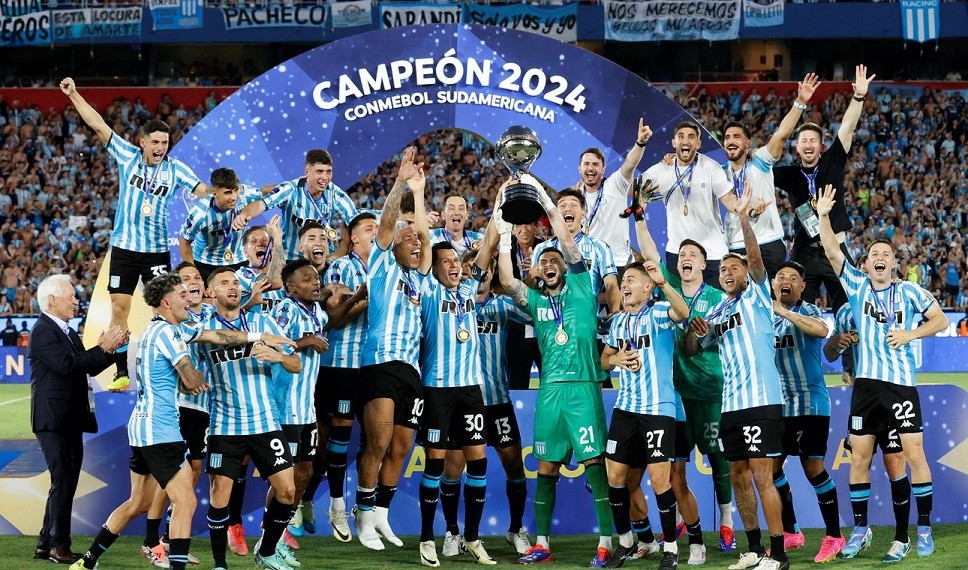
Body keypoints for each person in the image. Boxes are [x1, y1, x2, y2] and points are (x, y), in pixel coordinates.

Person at [71, 272, 292, 570]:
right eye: (182, 295)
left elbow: (214, 335)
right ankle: (173, 563)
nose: (189, 299)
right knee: (185, 502)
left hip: (142, 428)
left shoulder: (163, 329)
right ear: (166, 302)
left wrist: (256, 335)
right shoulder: (167, 334)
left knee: (139, 503)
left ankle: (88, 560)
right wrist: (204, 381)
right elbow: (189, 377)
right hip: (161, 431)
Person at [815, 184, 947, 562]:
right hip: (866, 387)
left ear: (893, 264)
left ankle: (920, 529)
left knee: (912, 454)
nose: (878, 257)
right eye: (873, 253)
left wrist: (912, 333)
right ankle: (861, 529)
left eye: (885, 254)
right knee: (858, 458)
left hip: (901, 386)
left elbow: (938, 320)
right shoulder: (856, 286)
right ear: (867, 262)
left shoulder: (908, 291)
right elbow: (830, 250)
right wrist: (824, 215)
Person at [60, 77, 208, 392]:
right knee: (120, 309)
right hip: (125, 250)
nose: (160, 148)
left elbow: (204, 191)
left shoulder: (176, 170)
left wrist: (227, 196)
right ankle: (120, 371)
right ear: (142, 141)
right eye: (154, 142)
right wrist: (74, 94)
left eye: (164, 143)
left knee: (167, 307)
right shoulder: (127, 156)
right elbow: (98, 124)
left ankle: (174, 367)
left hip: (155, 251)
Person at [497, 177, 614, 567]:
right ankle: (543, 542)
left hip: (584, 388)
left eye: (554, 260)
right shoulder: (534, 299)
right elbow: (506, 281)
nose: (548, 263)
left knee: (595, 464)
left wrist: (547, 202)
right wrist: (500, 233)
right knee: (545, 466)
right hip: (550, 393)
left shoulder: (581, 285)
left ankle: (606, 542)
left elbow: (565, 241)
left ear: (567, 265)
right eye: (541, 261)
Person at [683, 188, 790, 570]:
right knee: (739, 477)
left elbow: (758, 261)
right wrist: (693, 332)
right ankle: (753, 548)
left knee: (762, 476)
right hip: (732, 405)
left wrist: (744, 219)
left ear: (746, 274)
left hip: (762, 401)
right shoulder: (718, 310)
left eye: (734, 268)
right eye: (723, 269)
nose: (727, 272)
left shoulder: (758, 295)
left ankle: (777, 555)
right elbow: (694, 350)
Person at [633, 198, 736, 554]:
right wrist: (641, 220)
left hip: (709, 391)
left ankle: (726, 520)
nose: (686, 258)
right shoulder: (668, 291)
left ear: (704, 264)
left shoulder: (719, 299)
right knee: (675, 468)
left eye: (694, 255)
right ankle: (678, 527)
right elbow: (649, 257)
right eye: (682, 255)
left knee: (718, 459)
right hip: (674, 396)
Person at [197, 267, 303, 570]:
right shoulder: (203, 328)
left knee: (287, 490)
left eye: (236, 282)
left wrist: (279, 357)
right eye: (225, 283)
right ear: (212, 292)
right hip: (224, 425)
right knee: (220, 495)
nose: (233, 286)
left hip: (265, 421)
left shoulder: (262, 322)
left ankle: (266, 550)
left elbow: (295, 362)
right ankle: (219, 563)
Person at [354, 147, 430, 551]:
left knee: (401, 448)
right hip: (379, 365)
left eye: (418, 239)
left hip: (410, 372)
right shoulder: (381, 264)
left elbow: (426, 238)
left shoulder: (419, 279)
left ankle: (382, 516)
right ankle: (363, 517)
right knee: (378, 444)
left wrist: (419, 195)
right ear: (393, 244)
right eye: (409, 239)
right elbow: (386, 223)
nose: (415, 243)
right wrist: (400, 181)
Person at [29, 275, 127, 564]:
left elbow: (86, 367)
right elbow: (68, 365)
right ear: (52, 300)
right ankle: (59, 546)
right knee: (63, 480)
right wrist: (103, 348)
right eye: (71, 296)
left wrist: (113, 347)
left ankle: (45, 543)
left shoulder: (67, 332)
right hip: (53, 419)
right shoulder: (43, 331)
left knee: (65, 480)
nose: (76, 300)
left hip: (68, 418)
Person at [414, 232, 498, 567]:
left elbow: (487, 249)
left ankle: (473, 538)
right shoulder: (430, 292)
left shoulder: (467, 290)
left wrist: (500, 218)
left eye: (456, 261)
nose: (454, 266)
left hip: (470, 390)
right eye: (446, 261)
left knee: (478, 463)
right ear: (433, 269)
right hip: (437, 389)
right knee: (435, 465)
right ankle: (426, 538)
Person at [599, 260, 689, 569]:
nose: (624, 285)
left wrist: (664, 283)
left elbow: (684, 313)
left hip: (658, 410)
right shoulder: (618, 322)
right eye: (623, 280)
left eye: (631, 280)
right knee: (615, 476)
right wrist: (617, 359)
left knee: (659, 480)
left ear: (647, 287)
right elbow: (604, 360)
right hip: (625, 409)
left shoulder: (660, 314)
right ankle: (626, 541)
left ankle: (671, 548)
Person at [772, 65, 875, 309]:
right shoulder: (788, 174)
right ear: (797, 148)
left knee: (851, 309)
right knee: (794, 311)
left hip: (835, 248)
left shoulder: (833, 161)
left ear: (822, 147)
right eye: (803, 141)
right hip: (804, 251)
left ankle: (849, 346)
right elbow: (763, 160)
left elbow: (847, 127)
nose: (808, 145)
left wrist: (858, 96)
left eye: (813, 141)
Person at [304, 211, 378, 542]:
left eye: (378, 227)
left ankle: (318, 500)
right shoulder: (341, 267)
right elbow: (334, 317)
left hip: (372, 366)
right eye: (369, 228)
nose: (376, 232)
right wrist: (368, 299)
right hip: (340, 363)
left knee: (368, 441)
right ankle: (334, 505)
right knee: (334, 440)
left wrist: (361, 296)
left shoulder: (384, 269)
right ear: (354, 237)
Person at [770, 261, 846, 562]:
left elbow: (822, 330)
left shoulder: (809, 311)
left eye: (793, 278)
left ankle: (834, 536)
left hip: (810, 405)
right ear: (774, 284)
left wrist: (784, 312)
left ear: (802, 286)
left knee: (813, 469)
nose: (785, 280)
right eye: (780, 277)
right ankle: (791, 533)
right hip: (779, 406)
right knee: (771, 469)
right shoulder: (766, 317)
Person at [722, 74, 820, 279]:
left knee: (775, 303)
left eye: (737, 136)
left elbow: (781, 134)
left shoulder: (761, 161)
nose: (731, 140)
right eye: (727, 137)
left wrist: (800, 102)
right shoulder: (719, 173)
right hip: (736, 246)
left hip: (769, 243)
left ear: (748, 144)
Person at [266, 259, 331, 567]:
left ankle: (283, 527)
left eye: (316, 277)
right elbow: (272, 347)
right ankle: (271, 538)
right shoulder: (284, 310)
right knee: (284, 480)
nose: (315, 282)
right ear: (291, 288)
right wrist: (307, 341)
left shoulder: (317, 312)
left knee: (304, 473)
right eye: (307, 279)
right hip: (284, 408)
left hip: (307, 408)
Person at [640, 121, 740, 285]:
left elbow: (729, 200)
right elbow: (634, 188)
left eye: (691, 137)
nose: (685, 141)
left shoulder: (711, 167)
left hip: (712, 253)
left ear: (698, 144)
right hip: (678, 254)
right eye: (681, 137)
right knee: (680, 308)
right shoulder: (663, 169)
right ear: (674, 142)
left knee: (716, 307)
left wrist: (745, 209)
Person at [234, 149, 358, 262]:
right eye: (319, 172)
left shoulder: (336, 194)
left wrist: (341, 252)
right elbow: (261, 204)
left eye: (328, 172)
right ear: (307, 172)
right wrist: (244, 214)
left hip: (321, 259)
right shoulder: (290, 189)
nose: (324, 177)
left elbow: (356, 223)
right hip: (290, 259)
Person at [568, 118, 653, 270]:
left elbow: (630, 164)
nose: (590, 168)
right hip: (590, 265)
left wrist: (640, 143)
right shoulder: (575, 196)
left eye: (595, 164)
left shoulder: (615, 185)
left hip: (618, 263)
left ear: (603, 169)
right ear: (579, 169)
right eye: (586, 164)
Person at [531, 188, 621, 315]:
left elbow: (611, 285)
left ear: (583, 213)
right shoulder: (541, 249)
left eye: (574, 205)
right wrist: (531, 275)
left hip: (586, 323)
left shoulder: (600, 247)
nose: (568, 209)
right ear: (555, 214)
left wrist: (615, 314)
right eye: (562, 206)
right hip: (550, 324)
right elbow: (531, 289)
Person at [179, 168, 261, 283]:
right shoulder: (200, 214)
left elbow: (266, 192)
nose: (234, 197)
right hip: (206, 265)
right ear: (214, 193)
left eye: (236, 190)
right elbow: (184, 242)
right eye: (227, 192)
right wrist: (194, 276)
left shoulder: (245, 195)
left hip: (239, 261)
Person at [506, 222, 543, 390]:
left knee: (551, 384)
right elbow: (499, 287)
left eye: (528, 224)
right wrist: (529, 279)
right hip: (517, 326)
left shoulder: (547, 249)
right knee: (517, 384)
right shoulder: (506, 252)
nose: (524, 229)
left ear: (536, 226)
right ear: (513, 230)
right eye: (518, 225)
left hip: (546, 324)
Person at [429, 192, 484, 259]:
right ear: (443, 215)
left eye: (461, 209)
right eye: (452, 208)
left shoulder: (478, 239)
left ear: (467, 215)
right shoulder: (432, 237)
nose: (457, 213)